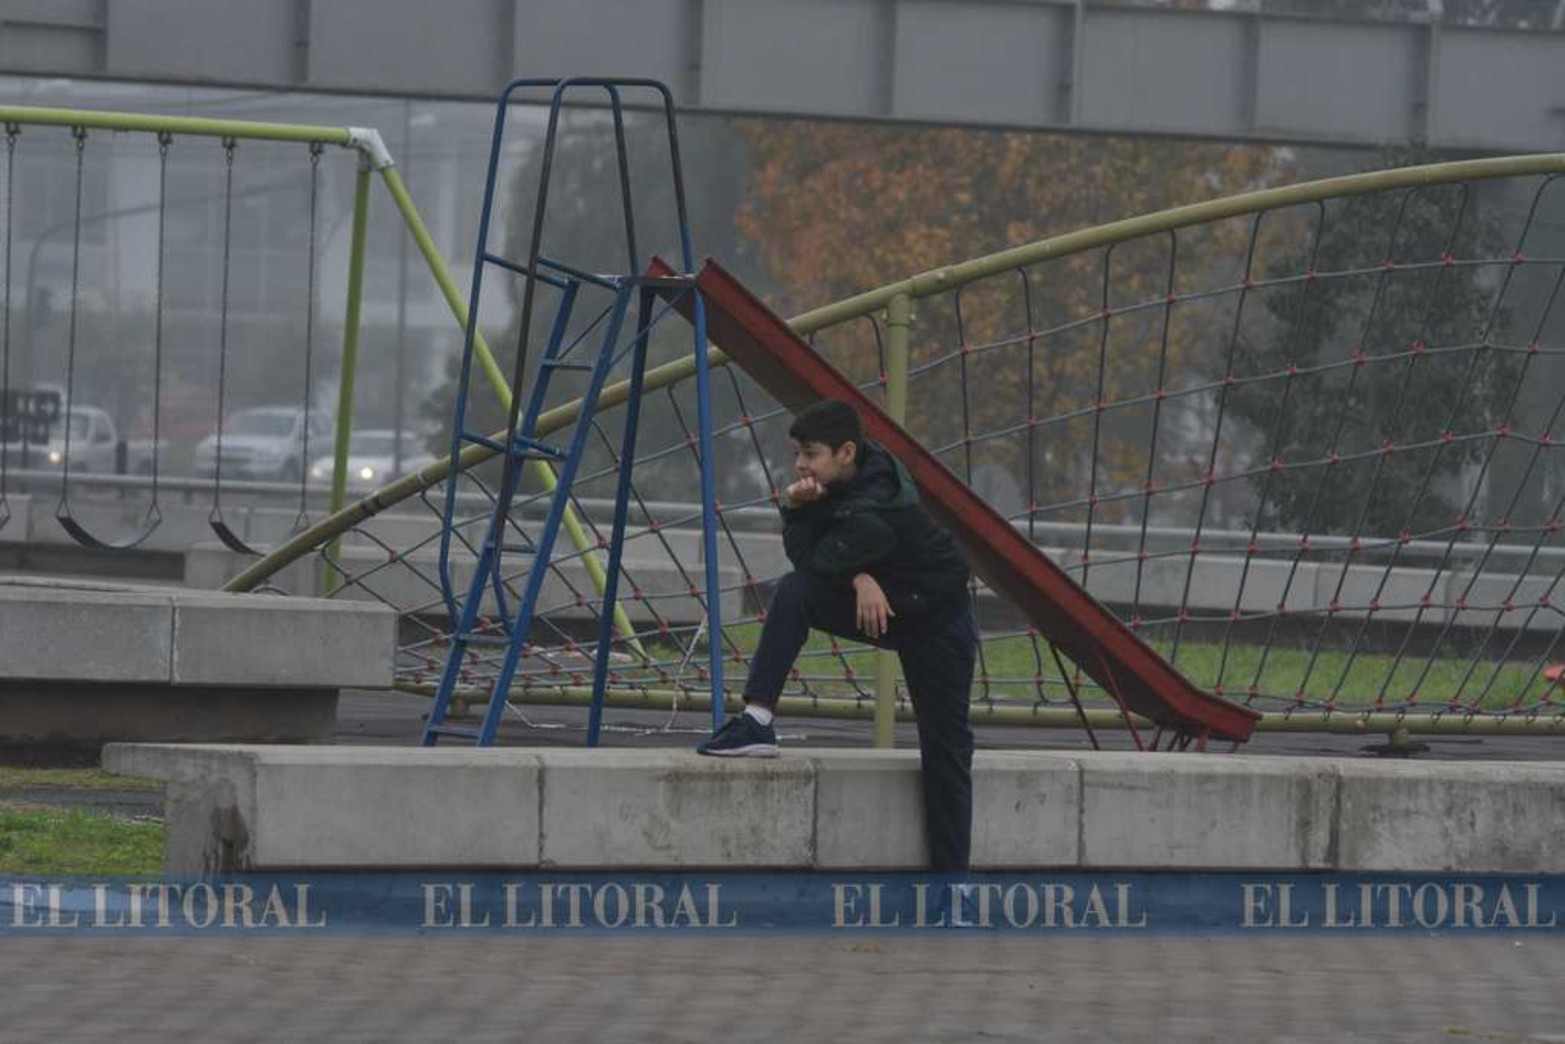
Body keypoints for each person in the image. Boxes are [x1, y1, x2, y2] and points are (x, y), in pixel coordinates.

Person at [697, 398, 979, 874]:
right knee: (795, 593)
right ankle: (757, 720)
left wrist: (796, 511)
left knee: (946, 750)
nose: (800, 465)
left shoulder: (877, 513)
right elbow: (817, 565)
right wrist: (860, 576)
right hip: (883, 604)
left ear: (845, 452)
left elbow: (814, 557)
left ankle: (952, 887)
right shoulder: (862, 466)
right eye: (797, 454)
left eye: (810, 454)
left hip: (938, 622)